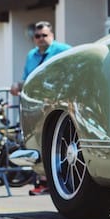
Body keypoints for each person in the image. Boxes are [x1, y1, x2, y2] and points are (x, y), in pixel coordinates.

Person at [10, 21, 71, 195]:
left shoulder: (64, 50)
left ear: (52, 36)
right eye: (37, 36)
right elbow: (27, 79)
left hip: (58, 104)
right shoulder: (32, 55)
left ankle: (60, 180)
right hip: (37, 106)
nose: (41, 39)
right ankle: (44, 181)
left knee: (60, 141)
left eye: (44, 35)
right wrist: (17, 85)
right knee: (39, 143)